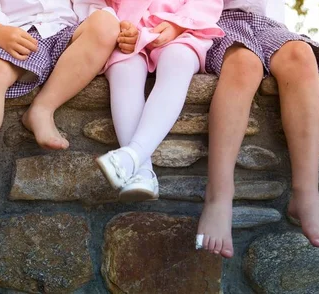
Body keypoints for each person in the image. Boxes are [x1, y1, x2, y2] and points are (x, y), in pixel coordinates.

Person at [0, 0, 120, 227]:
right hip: (16, 35)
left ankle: (42, 108)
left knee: (106, 23)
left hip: (67, 33)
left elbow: (89, 5)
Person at [196, 0, 319, 258]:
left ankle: (306, 193)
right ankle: (218, 196)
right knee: (244, 64)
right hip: (209, 21)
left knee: (300, 54)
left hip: (263, 23)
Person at [96, 0, 224, 201]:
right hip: (128, 32)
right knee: (124, 68)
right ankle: (142, 173)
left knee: (178, 59)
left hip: (182, 31)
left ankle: (133, 154)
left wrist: (177, 25)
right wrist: (123, 28)